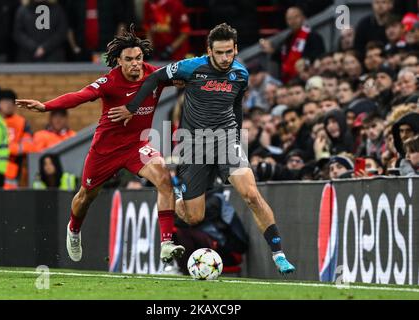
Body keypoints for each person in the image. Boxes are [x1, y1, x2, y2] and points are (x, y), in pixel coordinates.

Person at [109, 23, 296, 274]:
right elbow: (154, 77)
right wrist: (132, 107)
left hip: (226, 141)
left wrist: (238, 137)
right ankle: (174, 203)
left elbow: (237, 105)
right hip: (194, 146)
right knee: (194, 216)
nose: (225, 58)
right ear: (209, 51)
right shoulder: (191, 67)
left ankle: (278, 253)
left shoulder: (240, 74)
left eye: (229, 52)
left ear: (236, 49)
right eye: (219, 53)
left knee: (251, 194)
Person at [16, 26, 185, 264]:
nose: (135, 64)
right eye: (129, 60)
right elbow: (79, 96)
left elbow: (182, 75)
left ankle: (167, 243)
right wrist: (46, 106)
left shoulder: (153, 75)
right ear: (118, 61)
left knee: (164, 179)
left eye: (139, 58)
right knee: (86, 196)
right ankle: (74, 228)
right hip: (105, 150)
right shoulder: (109, 82)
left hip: (137, 146)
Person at [259, 6, 325, 83]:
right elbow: (282, 58)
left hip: (305, 78)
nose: (293, 21)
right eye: (289, 18)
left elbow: (319, 56)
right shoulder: (288, 38)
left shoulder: (313, 36)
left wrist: (306, 61)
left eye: (296, 17)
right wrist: (272, 51)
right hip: (287, 79)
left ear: (303, 17)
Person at [0, 89, 35, 189]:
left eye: (11, 102)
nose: (8, 105)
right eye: (5, 101)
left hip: (14, 169)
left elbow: (29, 146)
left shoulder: (21, 122)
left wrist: (7, 149)